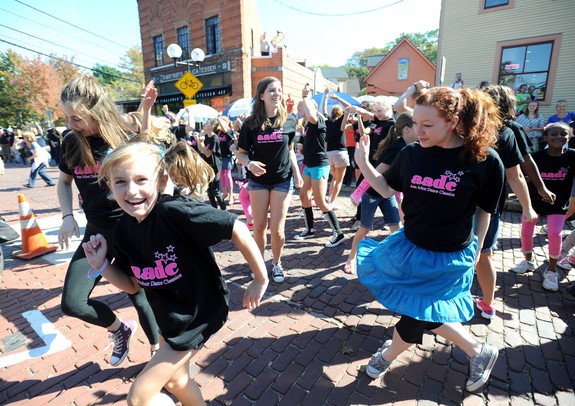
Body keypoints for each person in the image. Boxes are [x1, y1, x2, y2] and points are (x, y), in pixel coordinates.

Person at [82, 141, 268, 405]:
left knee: (139, 398)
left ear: (161, 181)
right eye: (121, 182)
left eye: (141, 180)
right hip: (168, 315)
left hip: (197, 315)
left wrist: (260, 278)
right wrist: (101, 265)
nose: (132, 190)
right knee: (176, 381)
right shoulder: (122, 231)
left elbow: (235, 227)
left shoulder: (174, 211)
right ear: (110, 186)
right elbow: (133, 285)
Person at [354, 87, 504, 391]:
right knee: (424, 311)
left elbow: (486, 212)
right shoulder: (411, 154)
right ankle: (478, 350)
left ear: (452, 121)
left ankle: (389, 355)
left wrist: (478, 249)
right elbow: (385, 188)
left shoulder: (485, 161)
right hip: (410, 248)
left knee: (418, 314)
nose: (416, 131)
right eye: (415, 123)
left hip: (449, 255)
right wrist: (363, 163)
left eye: (427, 125)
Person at [57, 74, 160, 366]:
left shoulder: (121, 135)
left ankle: (156, 353)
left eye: (76, 118)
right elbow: (64, 182)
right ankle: (120, 329)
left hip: (129, 229)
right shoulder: (70, 142)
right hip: (95, 233)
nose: (70, 125)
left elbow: (148, 157)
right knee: (72, 303)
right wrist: (67, 216)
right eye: (67, 118)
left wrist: (146, 114)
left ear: (96, 111)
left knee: (139, 296)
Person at [236, 77, 303, 283]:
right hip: (258, 181)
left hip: (282, 179)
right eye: (271, 90)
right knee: (259, 227)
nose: (276, 94)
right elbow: (241, 153)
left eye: (279, 90)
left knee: (278, 230)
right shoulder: (250, 124)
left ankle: (277, 263)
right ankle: (259, 265)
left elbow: (290, 149)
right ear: (262, 95)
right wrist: (249, 164)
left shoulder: (289, 120)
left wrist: (297, 173)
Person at [342, 112, 416, 274]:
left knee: (396, 228)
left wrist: (398, 196)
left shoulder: (410, 147)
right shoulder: (398, 148)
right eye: (417, 125)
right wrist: (358, 194)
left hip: (386, 194)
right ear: (407, 129)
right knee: (364, 229)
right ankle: (351, 258)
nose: (422, 129)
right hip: (372, 195)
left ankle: (398, 260)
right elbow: (375, 173)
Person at [510, 122, 575, 291]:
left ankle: (552, 270)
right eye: (554, 134)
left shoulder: (572, 156)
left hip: (558, 203)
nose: (559, 137)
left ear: (570, 136)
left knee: (554, 233)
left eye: (563, 134)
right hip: (534, 202)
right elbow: (521, 176)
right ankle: (528, 260)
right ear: (545, 137)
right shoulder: (536, 157)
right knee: (525, 232)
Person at [294, 87, 346, 248]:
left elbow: (310, 113)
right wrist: (301, 139)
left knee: (320, 200)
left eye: (301, 106)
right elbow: (304, 146)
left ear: (311, 107)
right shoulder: (308, 125)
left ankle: (338, 233)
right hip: (308, 163)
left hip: (319, 164)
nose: (299, 109)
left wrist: (305, 96)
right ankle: (310, 229)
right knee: (303, 195)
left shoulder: (318, 118)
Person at [321, 88, 352, 206]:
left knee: (334, 178)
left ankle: (329, 198)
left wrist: (326, 96)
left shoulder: (327, 121)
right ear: (340, 113)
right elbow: (348, 107)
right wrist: (338, 98)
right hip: (340, 153)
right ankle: (332, 202)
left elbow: (323, 109)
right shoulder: (341, 122)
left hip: (328, 153)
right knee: (339, 180)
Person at [195, 118, 226, 210]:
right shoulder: (205, 136)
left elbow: (208, 154)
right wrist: (198, 141)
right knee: (209, 190)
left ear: (212, 127)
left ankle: (223, 209)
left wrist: (202, 144)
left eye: (207, 124)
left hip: (215, 167)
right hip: (207, 166)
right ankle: (214, 209)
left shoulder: (214, 138)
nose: (204, 125)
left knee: (215, 190)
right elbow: (201, 150)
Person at [217, 116, 236, 205]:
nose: (221, 123)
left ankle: (231, 195)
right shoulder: (219, 132)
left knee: (228, 175)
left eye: (223, 121)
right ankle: (224, 192)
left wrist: (220, 120)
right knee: (222, 175)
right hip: (219, 156)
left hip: (227, 156)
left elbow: (225, 130)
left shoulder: (230, 131)